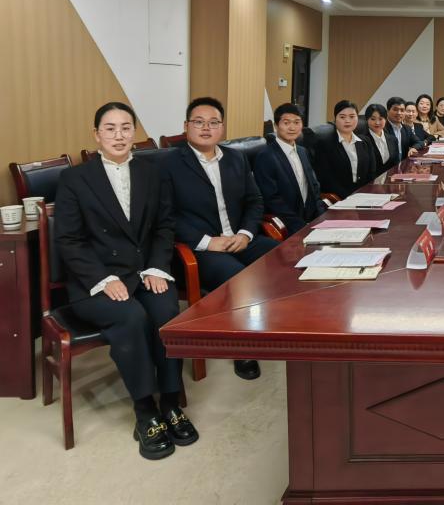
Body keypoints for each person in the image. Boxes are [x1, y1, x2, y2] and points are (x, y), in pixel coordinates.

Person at [55, 102, 198, 460]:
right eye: (110, 128)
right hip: (94, 280)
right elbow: (69, 241)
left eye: (125, 128)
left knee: (167, 312)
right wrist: (102, 279)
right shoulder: (75, 179)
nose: (118, 135)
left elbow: (164, 226)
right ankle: (145, 410)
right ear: (96, 135)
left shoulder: (153, 172)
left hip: (143, 271)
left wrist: (156, 267)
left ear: (135, 133)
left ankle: (170, 402)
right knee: (131, 317)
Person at [162, 97, 277, 381]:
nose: (206, 128)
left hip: (239, 238)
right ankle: (244, 347)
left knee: (282, 257)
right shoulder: (167, 164)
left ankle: (274, 326)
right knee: (238, 278)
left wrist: (246, 233)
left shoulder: (235, 158)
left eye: (213, 123)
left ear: (222, 128)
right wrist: (207, 242)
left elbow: (254, 200)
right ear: (186, 126)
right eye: (198, 122)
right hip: (199, 249)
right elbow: (166, 215)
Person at [253, 102, 327, 235]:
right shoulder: (265, 156)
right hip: (288, 227)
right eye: (286, 123)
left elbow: (314, 188)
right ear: (276, 126)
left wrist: (323, 218)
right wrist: (301, 227)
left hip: (312, 221)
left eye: (297, 122)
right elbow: (272, 200)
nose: (292, 127)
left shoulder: (303, 152)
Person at [314, 100, 374, 198]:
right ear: (335, 119)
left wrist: (366, 194)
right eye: (342, 117)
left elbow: (371, 173)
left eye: (352, 116)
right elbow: (326, 179)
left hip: (364, 196)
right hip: (339, 198)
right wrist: (349, 198)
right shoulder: (324, 144)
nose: (347, 121)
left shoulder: (365, 142)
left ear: (357, 118)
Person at [364, 103, 399, 175]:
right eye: (373, 119)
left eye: (380, 119)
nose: (377, 123)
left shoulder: (393, 139)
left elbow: (396, 164)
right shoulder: (362, 141)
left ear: (385, 119)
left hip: (390, 179)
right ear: (367, 120)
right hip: (371, 180)